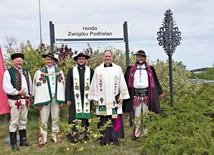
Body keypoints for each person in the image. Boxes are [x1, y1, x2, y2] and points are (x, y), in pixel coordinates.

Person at [88, 50, 130, 145]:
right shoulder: (98, 70)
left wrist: (122, 96)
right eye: (106, 56)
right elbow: (94, 84)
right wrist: (94, 98)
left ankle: (114, 139)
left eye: (109, 56)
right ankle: (103, 139)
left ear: (112, 57)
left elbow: (122, 83)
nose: (107, 58)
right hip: (102, 100)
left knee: (114, 118)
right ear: (103, 57)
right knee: (103, 118)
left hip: (114, 100)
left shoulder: (118, 69)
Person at [123, 50, 164, 140]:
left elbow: (155, 81)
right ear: (136, 57)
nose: (140, 58)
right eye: (139, 56)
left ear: (145, 58)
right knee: (137, 115)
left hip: (147, 95)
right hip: (136, 95)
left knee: (145, 115)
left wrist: (159, 92)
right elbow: (125, 82)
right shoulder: (130, 69)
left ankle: (146, 133)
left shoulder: (150, 69)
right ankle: (136, 134)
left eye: (142, 57)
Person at [32, 53, 65, 147]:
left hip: (56, 98)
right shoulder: (40, 72)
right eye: (47, 59)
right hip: (44, 98)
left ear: (54, 61)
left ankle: (56, 137)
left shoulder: (59, 72)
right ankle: (42, 139)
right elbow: (36, 87)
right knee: (44, 119)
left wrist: (61, 99)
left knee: (55, 118)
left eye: (51, 59)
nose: (49, 61)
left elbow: (63, 85)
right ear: (45, 60)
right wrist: (37, 100)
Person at [3, 53, 32, 151]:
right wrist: (17, 92)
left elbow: (30, 84)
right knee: (14, 121)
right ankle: (13, 143)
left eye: (20, 60)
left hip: (25, 99)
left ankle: (23, 140)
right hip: (14, 99)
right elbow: (6, 86)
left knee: (23, 119)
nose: (19, 62)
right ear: (13, 61)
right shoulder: (8, 72)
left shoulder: (25, 71)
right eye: (17, 61)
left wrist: (30, 95)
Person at [65, 52, 94, 142]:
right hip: (74, 97)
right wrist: (68, 98)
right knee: (74, 116)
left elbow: (93, 85)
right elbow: (68, 85)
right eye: (79, 59)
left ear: (85, 60)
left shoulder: (91, 71)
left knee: (85, 117)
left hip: (87, 97)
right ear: (77, 60)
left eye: (83, 59)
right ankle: (73, 136)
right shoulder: (71, 70)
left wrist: (93, 97)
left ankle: (85, 135)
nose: (81, 60)